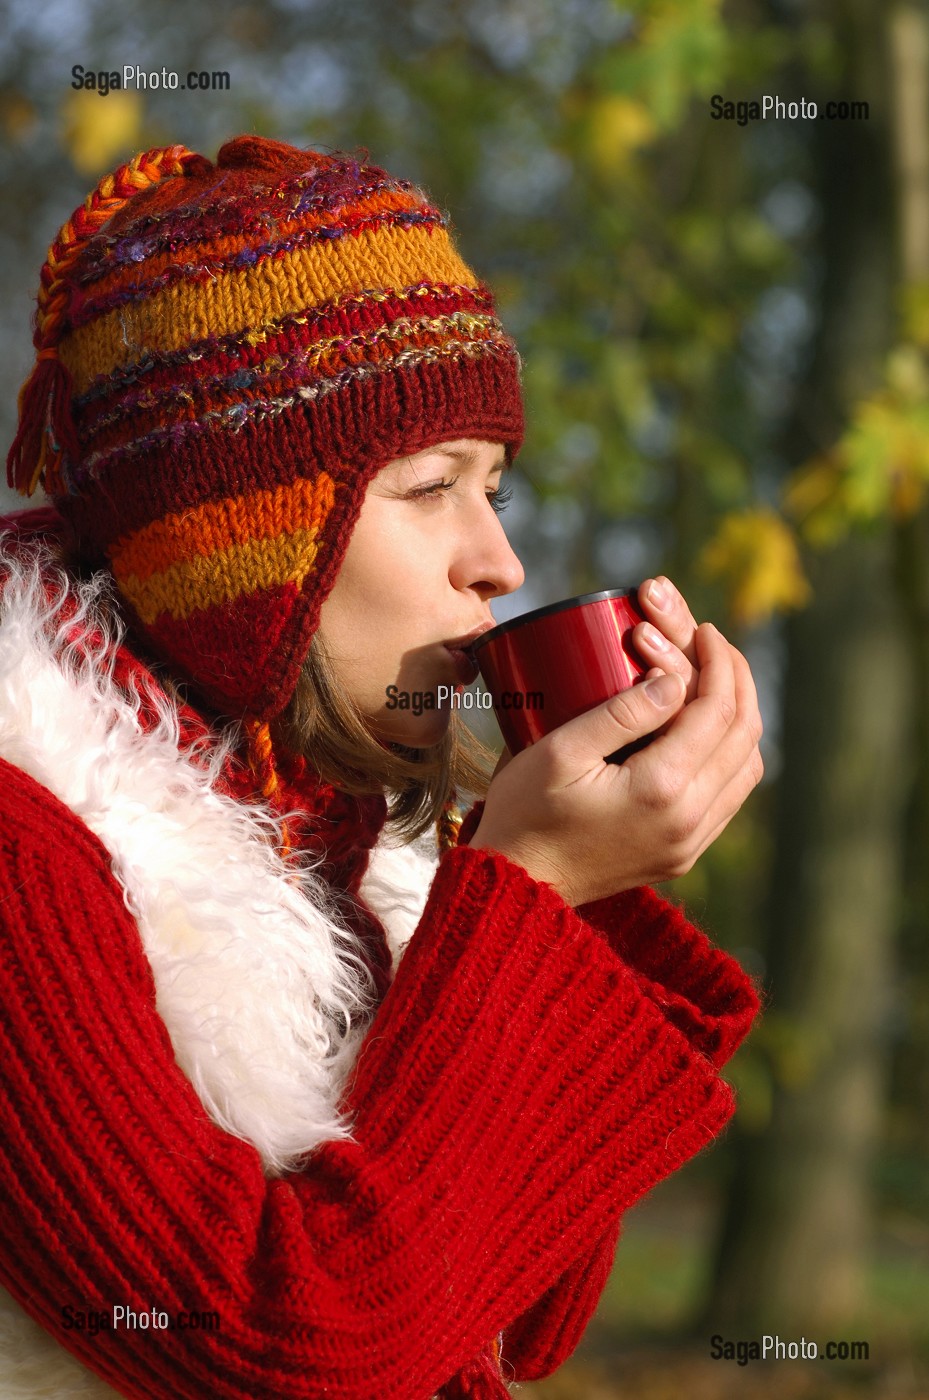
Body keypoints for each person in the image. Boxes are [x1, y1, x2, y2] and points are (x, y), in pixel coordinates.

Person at [0, 136, 762, 1400]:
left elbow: (520, 1320)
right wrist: (531, 892)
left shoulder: (344, 844)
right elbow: (291, 1350)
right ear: (238, 543)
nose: (497, 560)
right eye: (428, 486)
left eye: (496, 488)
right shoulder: (26, 853)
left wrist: (567, 876)